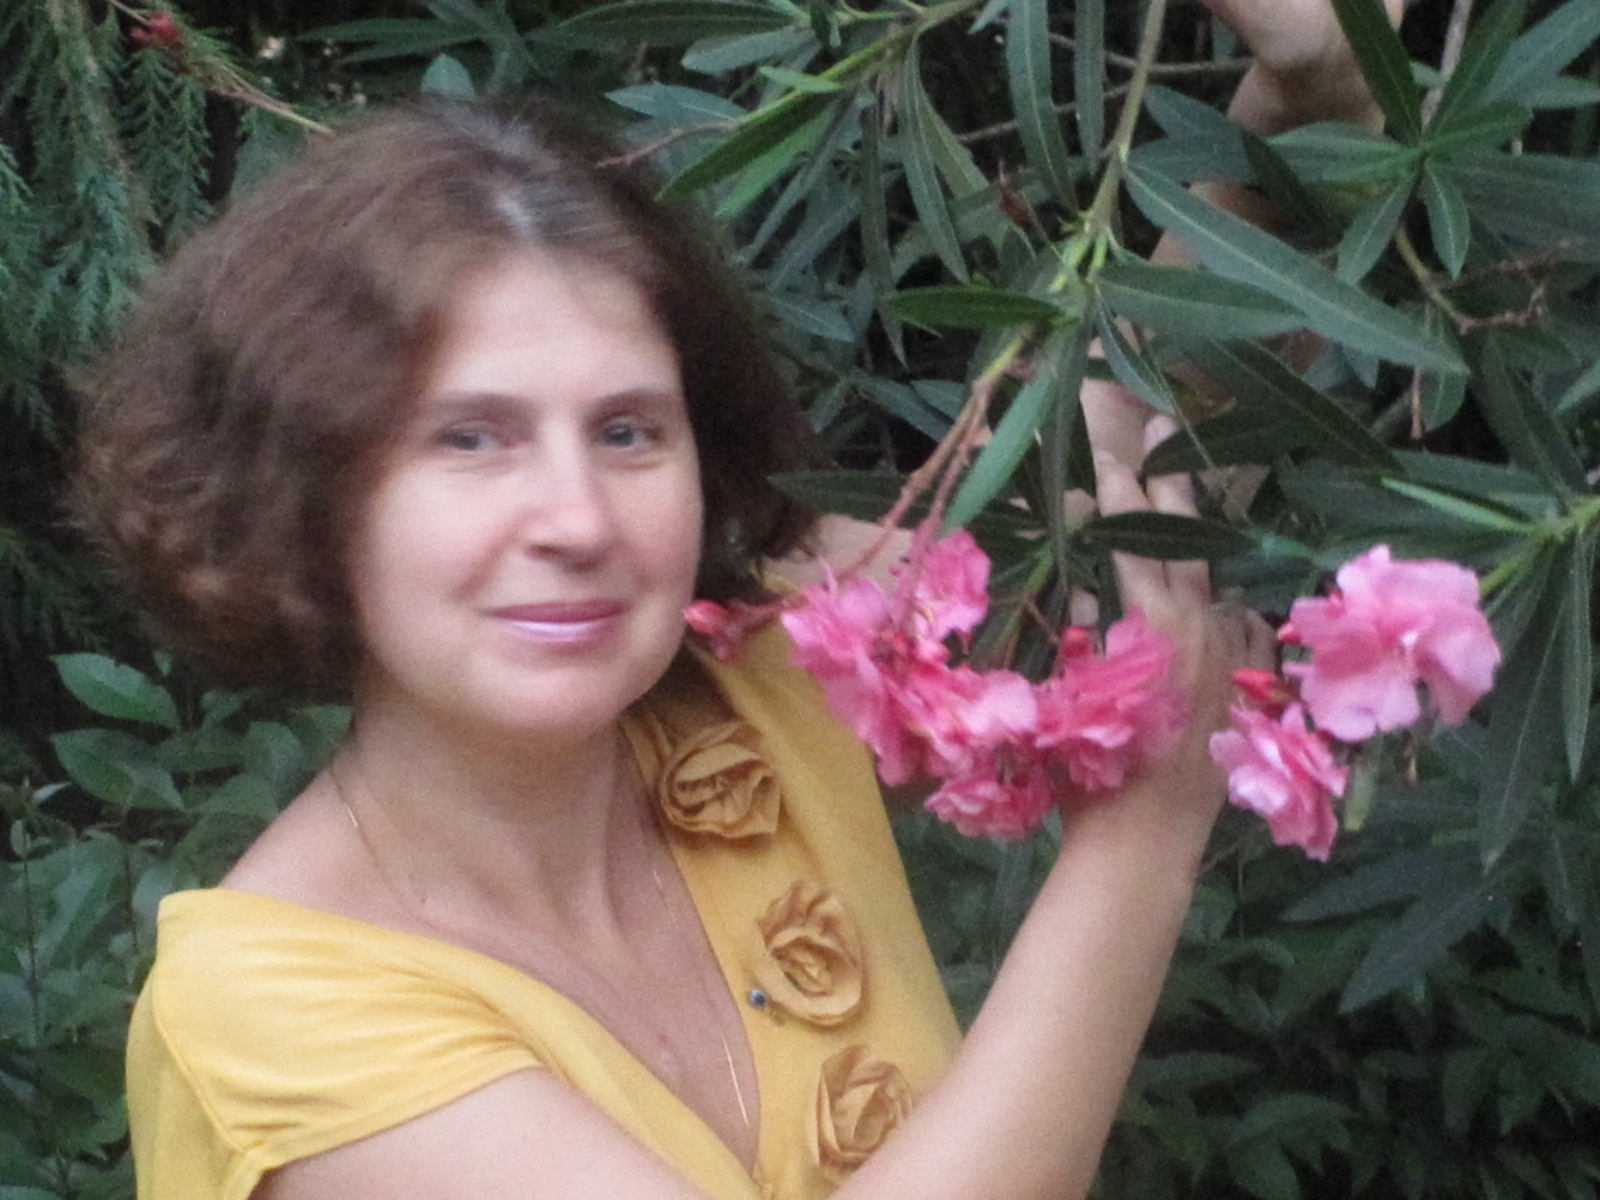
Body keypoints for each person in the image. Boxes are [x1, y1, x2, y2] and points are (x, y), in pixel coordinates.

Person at [76, 4, 1388, 1198]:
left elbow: (1116, 487)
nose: (578, 519)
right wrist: (1139, 847)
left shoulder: (756, 668)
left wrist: (1318, 94)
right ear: (305, 487)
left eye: (629, 431)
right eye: (470, 439)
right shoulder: (266, 1004)